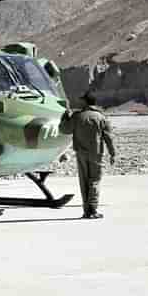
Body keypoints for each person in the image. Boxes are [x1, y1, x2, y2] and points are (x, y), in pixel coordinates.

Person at [59, 90, 116, 219]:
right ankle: (93, 209)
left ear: (86, 102)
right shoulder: (101, 117)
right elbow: (108, 138)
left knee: (84, 182)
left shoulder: (77, 116)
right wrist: (113, 154)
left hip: (81, 153)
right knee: (94, 181)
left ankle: (86, 211)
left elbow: (64, 130)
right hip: (96, 154)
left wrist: (65, 118)